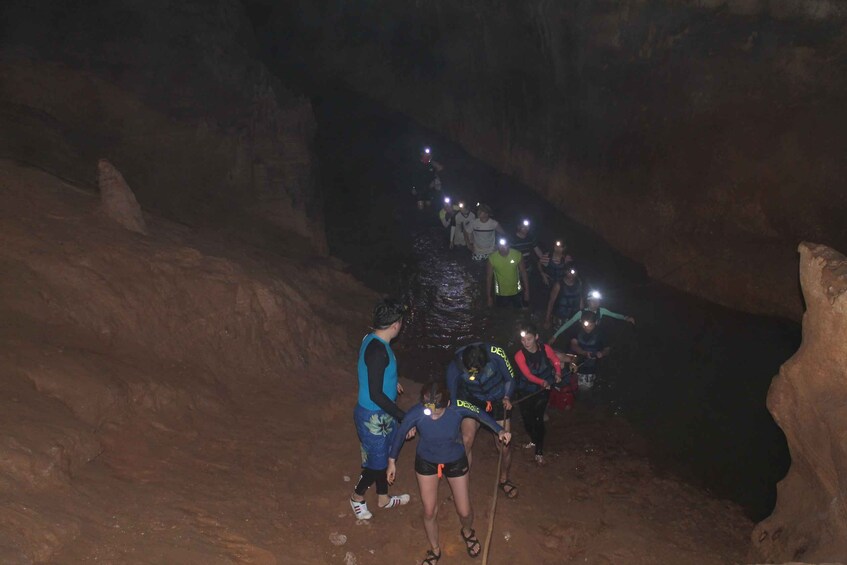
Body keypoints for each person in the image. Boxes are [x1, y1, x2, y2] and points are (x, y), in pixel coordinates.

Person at [388, 381, 512, 564]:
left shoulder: (458, 407)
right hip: (426, 462)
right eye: (430, 412)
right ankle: (435, 549)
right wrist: (392, 461)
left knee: (464, 510)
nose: (433, 417)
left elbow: (480, 413)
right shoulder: (418, 411)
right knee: (429, 511)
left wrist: (499, 429)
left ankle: (468, 531)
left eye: (437, 412)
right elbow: (400, 433)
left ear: (447, 404)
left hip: (454, 459)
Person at [349, 298, 411, 520]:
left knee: (382, 457)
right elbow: (375, 393)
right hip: (373, 415)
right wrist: (402, 416)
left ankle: (383, 498)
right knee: (376, 465)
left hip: (381, 412)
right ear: (396, 324)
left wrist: (391, 381)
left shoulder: (371, 338)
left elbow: (371, 373)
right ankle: (357, 497)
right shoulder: (378, 352)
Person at [445, 342, 519, 499]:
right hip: (472, 400)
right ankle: (461, 480)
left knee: (503, 445)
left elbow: (510, 378)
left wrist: (507, 396)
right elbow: (452, 396)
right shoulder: (455, 366)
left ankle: (504, 478)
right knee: (466, 439)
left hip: (498, 399)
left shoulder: (496, 353)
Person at [513, 324, 562, 465]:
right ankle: (534, 440)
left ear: (536, 337)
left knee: (538, 418)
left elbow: (555, 360)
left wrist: (558, 372)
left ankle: (539, 451)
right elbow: (528, 375)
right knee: (527, 420)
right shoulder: (519, 355)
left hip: (542, 391)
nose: (526, 343)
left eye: (529, 339)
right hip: (526, 389)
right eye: (523, 340)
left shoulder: (545, 348)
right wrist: (542, 382)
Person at [550, 289, 635, 344]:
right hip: (582, 337)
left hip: (595, 337)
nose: (595, 303)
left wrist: (626, 318)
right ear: (588, 302)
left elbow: (614, 314)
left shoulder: (601, 310)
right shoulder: (581, 313)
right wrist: (555, 336)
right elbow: (568, 323)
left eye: (597, 301)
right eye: (593, 301)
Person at [569, 310, 611, 393]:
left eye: (590, 325)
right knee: (573, 387)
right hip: (577, 363)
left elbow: (607, 349)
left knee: (586, 389)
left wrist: (601, 353)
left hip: (593, 366)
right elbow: (573, 345)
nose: (587, 328)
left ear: (596, 323)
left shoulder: (601, 333)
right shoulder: (577, 329)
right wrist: (583, 352)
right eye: (584, 325)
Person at [486, 238, 529, 309]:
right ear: (497, 246)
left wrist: (527, 291)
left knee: (519, 312)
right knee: (502, 315)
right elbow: (489, 278)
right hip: (500, 293)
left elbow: (523, 273)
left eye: (505, 245)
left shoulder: (517, 254)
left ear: (509, 245)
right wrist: (489, 297)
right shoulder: (492, 258)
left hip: (517, 291)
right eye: (500, 245)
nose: (503, 248)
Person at [411, 146, 443, 210]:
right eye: (425, 154)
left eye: (428, 154)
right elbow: (413, 177)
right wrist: (413, 187)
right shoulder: (417, 164)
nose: (427, 155)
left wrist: (430, 161)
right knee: (420, 205)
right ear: (422, 154)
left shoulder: (431, 164)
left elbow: (440, 168)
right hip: (419, 188)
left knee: (429, 206)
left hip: (429, 188)